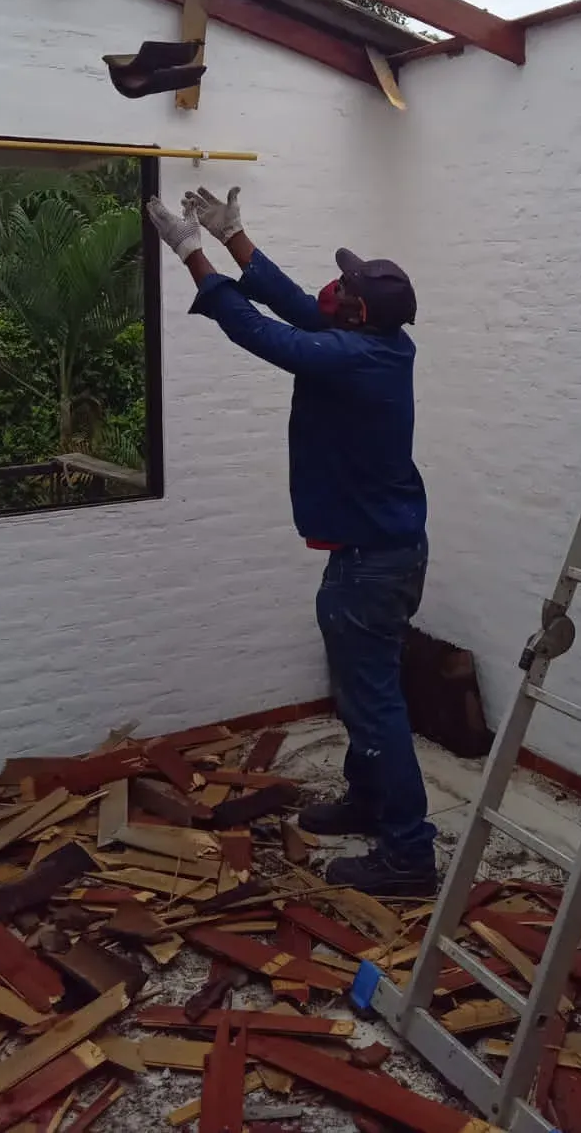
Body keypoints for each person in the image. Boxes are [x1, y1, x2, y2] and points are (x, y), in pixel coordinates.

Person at [147, 186, 437, 896]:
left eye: (343, 283)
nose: (330, 284)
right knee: (363, 694)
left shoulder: (353, 358)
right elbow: (299, 309)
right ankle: (368, 801)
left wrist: (192, 255)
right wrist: (234, 235)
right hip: (378, 552)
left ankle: (408, 854)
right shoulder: (377, 343)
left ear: (357, 310)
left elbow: (262, 331)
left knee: (374, 704)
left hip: (371, 564)